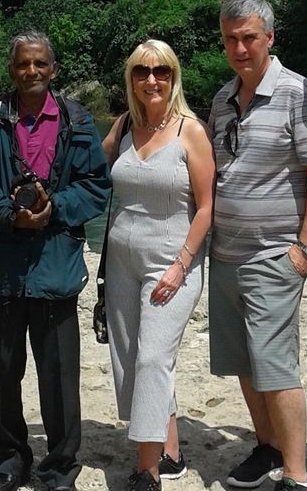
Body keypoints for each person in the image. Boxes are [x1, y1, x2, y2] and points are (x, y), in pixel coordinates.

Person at [0, 30, 111, 491]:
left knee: (60, 375)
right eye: (23, 64)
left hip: (55, 267)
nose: (31, 72)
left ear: (53, 69)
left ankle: (60, 466)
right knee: (2, 373)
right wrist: (11, 216)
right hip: (0, 269)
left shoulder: (78, 119)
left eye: (40, 64)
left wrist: (53, 211)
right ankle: (10, 457)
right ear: (12, 70)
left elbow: (96, 186)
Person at [208, 0, 307, 491]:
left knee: (276, 365)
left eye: (249, 38)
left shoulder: (299, 94)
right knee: (244, 360)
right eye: (231, 39)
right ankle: (268, 447)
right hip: (225, 255)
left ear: (269, 38)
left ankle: (297, 475)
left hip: (274, 254)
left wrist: (305, 247)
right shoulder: (222, 99)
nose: (240, 48)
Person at [101, 40, 215, 491]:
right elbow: (93, 167)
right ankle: (169, 449)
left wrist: (180, 264)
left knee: (152, 358)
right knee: (129, 357)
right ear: (130, 78)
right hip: (120, 257)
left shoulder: (192, 132)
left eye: (162, 71)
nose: (152, 79)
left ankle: (146, 470)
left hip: (171, 259)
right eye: (142, 71)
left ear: (174, 76)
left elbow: (207, 207)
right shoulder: (125, 126)